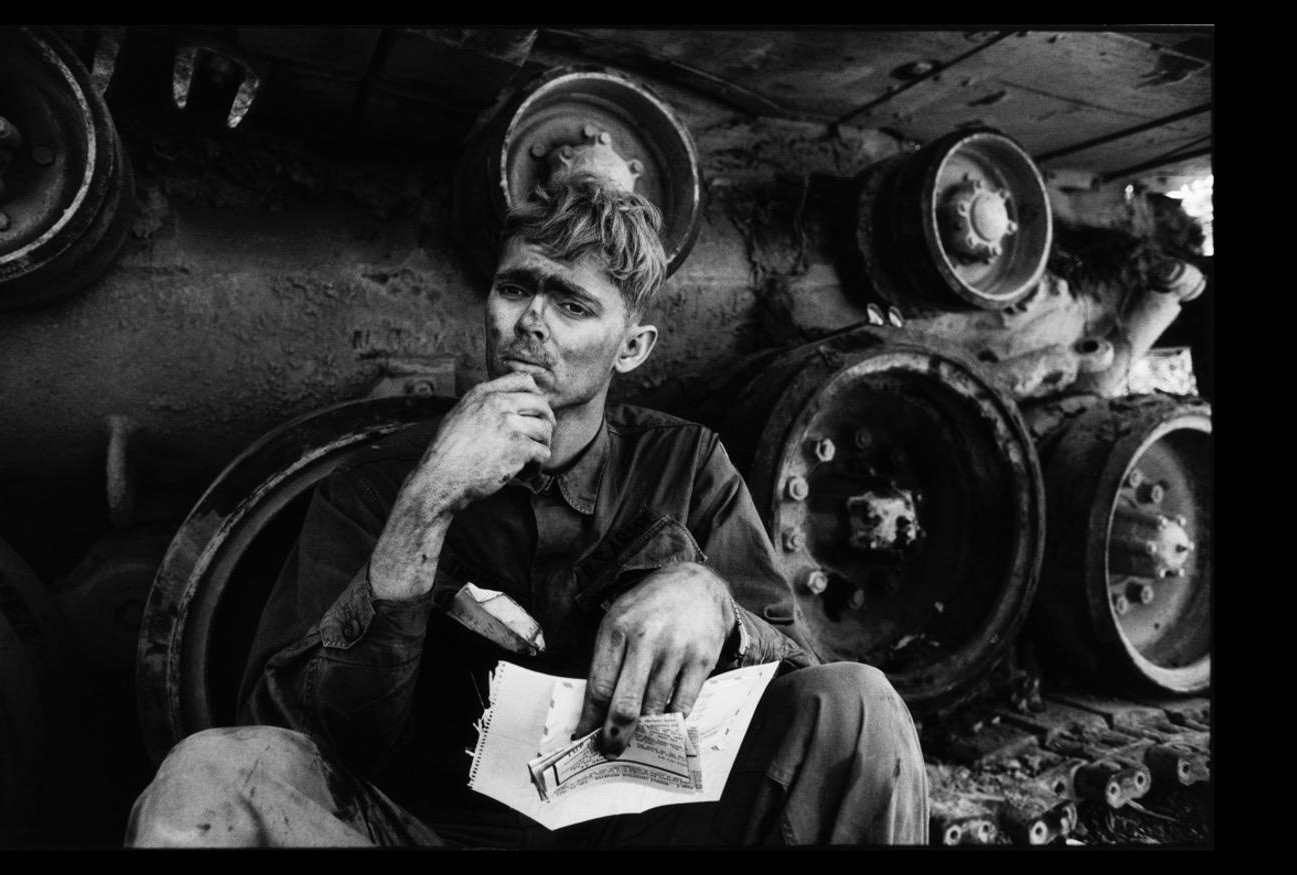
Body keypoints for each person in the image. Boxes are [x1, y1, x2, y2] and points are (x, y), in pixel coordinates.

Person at [126, 175, 928, 848]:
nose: (531, 321)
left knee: (861, 706)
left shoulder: (688, 464)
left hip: (646, 829)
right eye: (515, 289)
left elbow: (795, 676)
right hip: (428, 830)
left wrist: (716, 606)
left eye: (573, 304)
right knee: (210, 774)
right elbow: (297, 733)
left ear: (634, 347)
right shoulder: (381, 480)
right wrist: (427, 504)